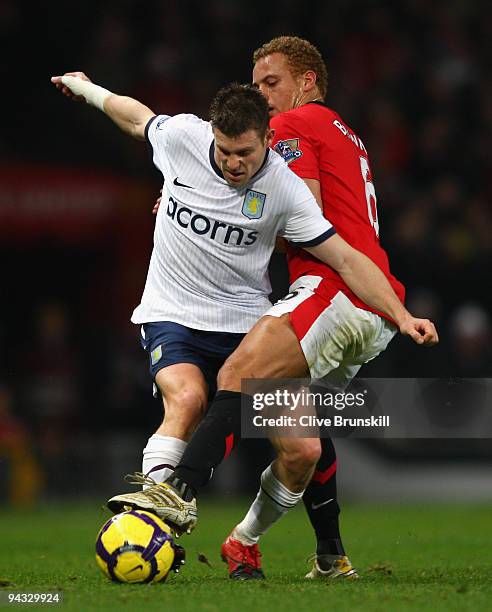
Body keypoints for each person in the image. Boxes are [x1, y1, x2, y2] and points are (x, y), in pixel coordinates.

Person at [99, 39, 438, 580]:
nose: (260, 94)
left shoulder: (297, 125)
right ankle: (298, 551)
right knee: (303, 444)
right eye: (254, 83)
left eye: (269, 82)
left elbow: (305, 218)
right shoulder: (347, 133)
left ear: (306, 82)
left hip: (333, 291)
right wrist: (397, 313)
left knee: (238, 374)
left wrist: (187, 202)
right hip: (364, 307)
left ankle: (174, 493)